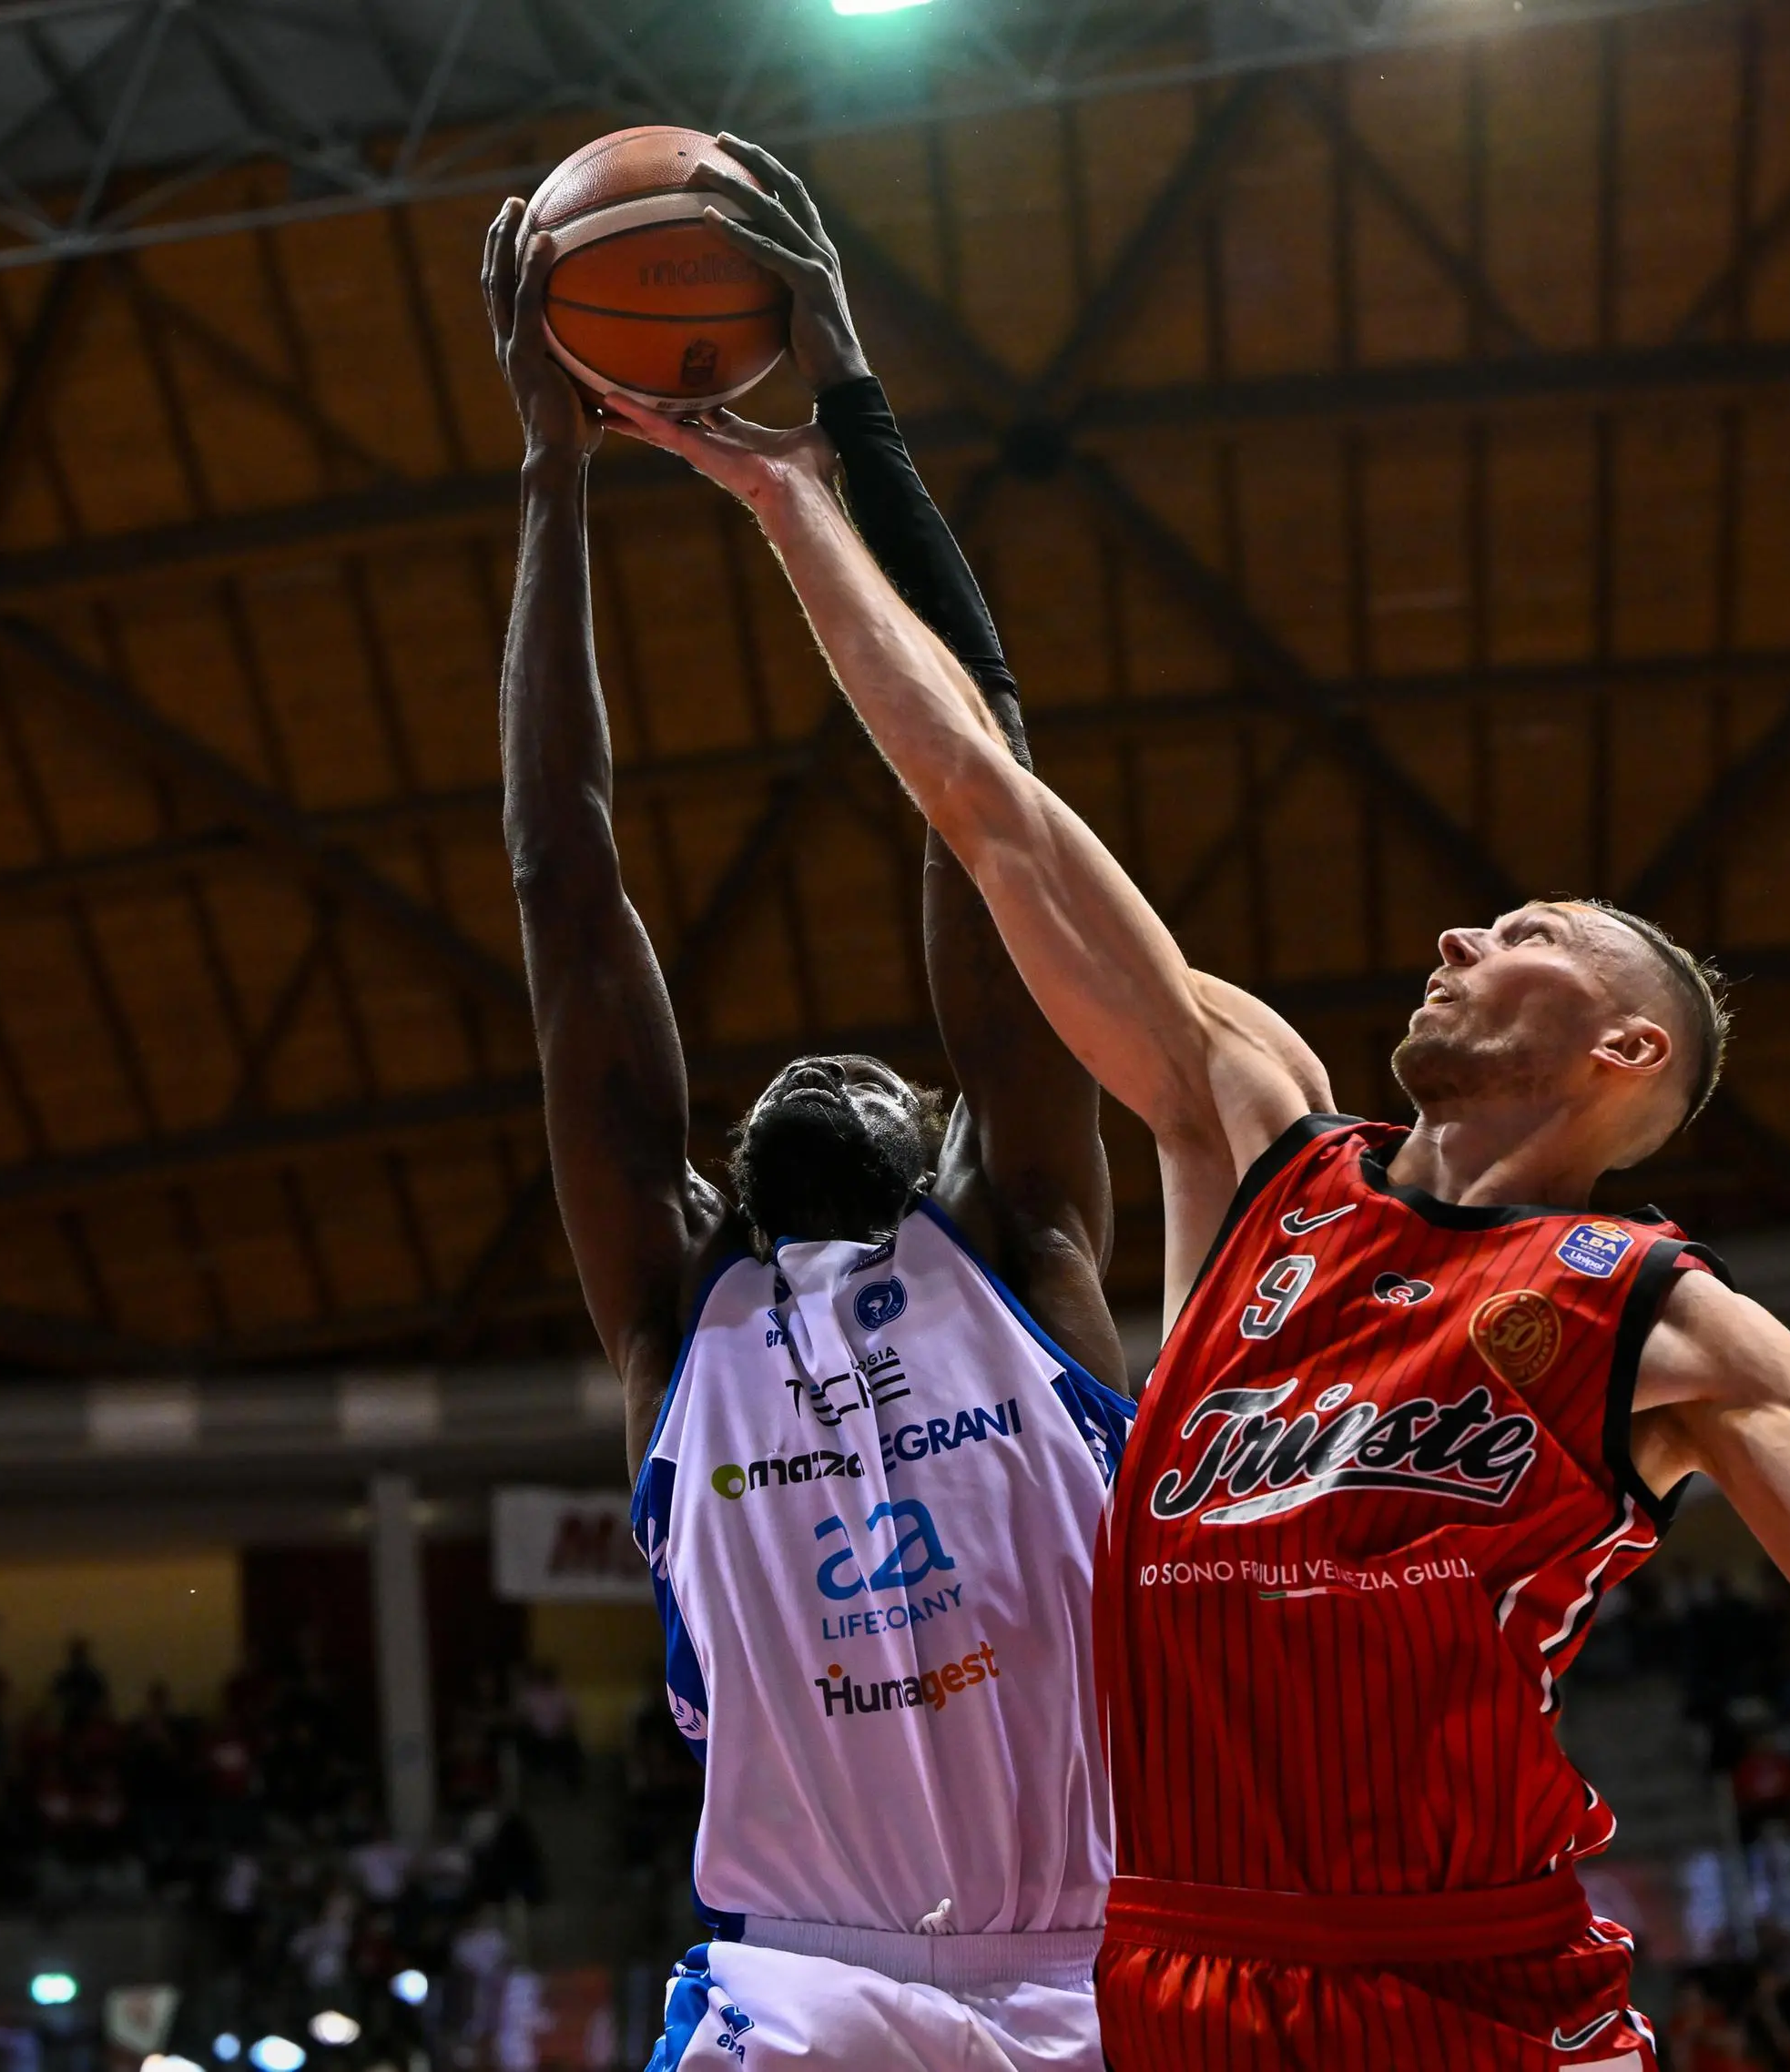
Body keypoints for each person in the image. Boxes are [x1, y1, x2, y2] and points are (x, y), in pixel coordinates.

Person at [606, 365, 1790, 2071]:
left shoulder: (1653, 1317)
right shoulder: (1250, 1137)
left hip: (1469, 1987)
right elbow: (985, 806)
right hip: (1179, 1978)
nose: (1459, 939)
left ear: (1625, 1049)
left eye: (1524, 930)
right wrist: (799, 493)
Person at [482, 137, 1132, 2072]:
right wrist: (550, 471)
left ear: (958, 1144)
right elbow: (560, 873)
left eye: (877, 1072)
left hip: (1107, 1962)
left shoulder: (1025, 1244)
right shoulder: (682, 1305)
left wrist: (852, 410)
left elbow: (984, 789)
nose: (823, 1067)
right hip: (802, 1986)